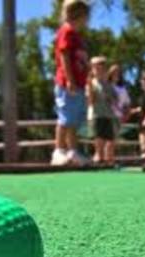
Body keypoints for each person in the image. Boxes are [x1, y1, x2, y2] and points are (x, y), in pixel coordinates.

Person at [51, 0, 91, 166]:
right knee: (65, 117)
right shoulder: (66, 31)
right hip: (67, 84)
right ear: (78, 15)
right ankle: (59, 150)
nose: (87, 21)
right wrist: (69, 80)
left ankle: (72, 151)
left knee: (73, 120)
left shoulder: (77, 36)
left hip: (78, 85)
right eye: (85, 17)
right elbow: (64, 56)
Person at [86, 56, 118, 166]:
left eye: (102, 68)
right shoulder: (91, 83)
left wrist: (111, 99)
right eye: (96, 68)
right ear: (92, 70)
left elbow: (115, 99)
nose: (99, 71)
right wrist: (90, 89)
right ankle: (99, 157)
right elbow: (90, 101)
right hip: (96, 114)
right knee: (98, 137)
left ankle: (107, 159)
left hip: (108, 114)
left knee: (109, 138)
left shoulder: (108, 84)